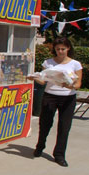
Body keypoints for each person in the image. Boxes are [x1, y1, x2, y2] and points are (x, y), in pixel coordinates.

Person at [27, 36, 82, 167]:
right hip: (50, 96)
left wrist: (69, 85)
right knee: (45, 123)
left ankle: (59, 154)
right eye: (58, 49)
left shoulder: (75, 64)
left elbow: (78, 83)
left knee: (64, 126)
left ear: (68, 48)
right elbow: (43, 80)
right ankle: (40, 146)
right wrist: (34, 77)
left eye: (63, 49)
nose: (60, 51)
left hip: (68, 97)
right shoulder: (48, 63)